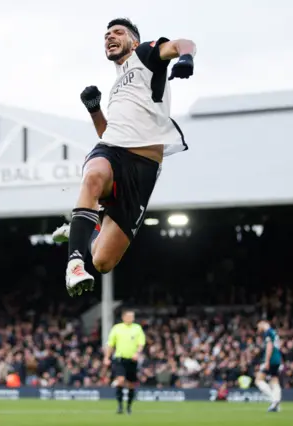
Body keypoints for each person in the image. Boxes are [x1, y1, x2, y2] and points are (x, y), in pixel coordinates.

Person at [52, 18, 196, 296]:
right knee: (93, 175)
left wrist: (186, 58)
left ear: (134, 41)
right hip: (112, 150)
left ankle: (81, 232)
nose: (110, 37)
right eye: (106, 34)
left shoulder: (145, 56)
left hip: (143, 167)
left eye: (118, 32)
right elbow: (108, 133)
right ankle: (74, 265)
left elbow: (183, 44)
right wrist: (95, 109)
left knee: (104, 261)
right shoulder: (117, 86)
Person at [104, 309, 146, 415]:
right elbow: (110, 344)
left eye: (133, 316)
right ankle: (119, 406)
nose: (131, 318)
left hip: (132, 360)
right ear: (123, 317)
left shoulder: (137, 328)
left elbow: (141, 343)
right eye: (129, 316)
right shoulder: (117, 328)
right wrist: (107, 357)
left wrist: (137, 352)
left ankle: (129, 406)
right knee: (121, 380)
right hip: (120, 359)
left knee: (131, 384)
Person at [255, 320, 282, 412]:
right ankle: (277, 402)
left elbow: (269, 346)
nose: (258, 329)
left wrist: (266, 361)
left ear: (262, 323)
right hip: (277, 358)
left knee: (258, 380)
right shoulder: (274, 332)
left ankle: (274, 400)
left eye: (258, 326)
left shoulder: (268, 332)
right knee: (274, 380)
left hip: (271, 359)